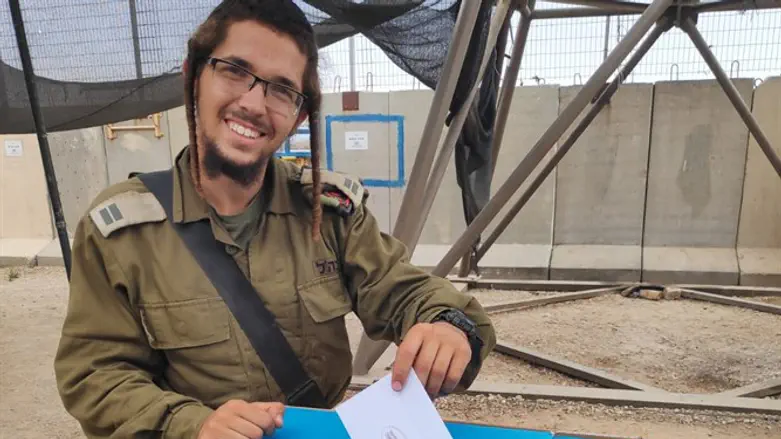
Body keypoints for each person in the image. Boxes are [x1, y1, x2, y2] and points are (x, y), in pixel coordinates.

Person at [53, 1, 496, 438]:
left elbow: (403, 290)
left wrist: (446, 325)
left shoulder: (329, 212)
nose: (253, 103)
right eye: (234, 70)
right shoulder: (120, 231)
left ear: (299, 114)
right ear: (193, 76)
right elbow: (96, 373)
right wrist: (192, 424)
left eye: (281, 89)